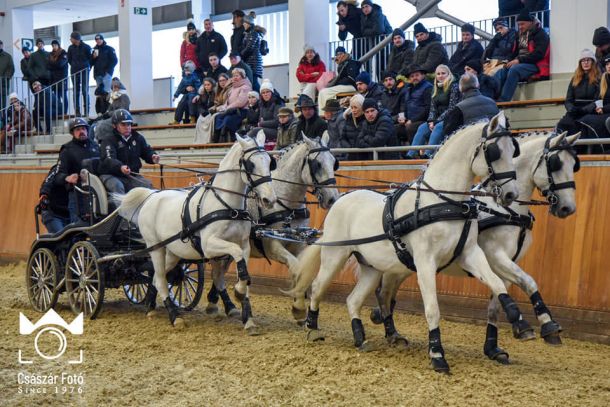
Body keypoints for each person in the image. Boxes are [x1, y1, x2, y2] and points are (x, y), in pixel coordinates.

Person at [99, 109, 160, 194]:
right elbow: (109, 159)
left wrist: (152, 156)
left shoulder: (137, 138)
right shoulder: (108, 140)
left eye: (129, 124)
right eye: (123, 124)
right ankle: (120, 207)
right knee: (117, 186)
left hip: (132, 175)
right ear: (114, 125)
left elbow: (146, 151)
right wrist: (120, 167)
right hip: (112, 175)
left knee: (148, 186)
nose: (127, 127)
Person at [494, 10, 550, 102]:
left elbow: (539, 54)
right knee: (501, 71)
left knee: (514, 69)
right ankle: (493, 98)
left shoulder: (540, 33)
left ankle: (504, 100)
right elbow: (514, 52)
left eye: (522, 24)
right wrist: (508, 61)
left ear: (530, 22)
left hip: (536, 64)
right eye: (518, 24)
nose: (520, 27)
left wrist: (519, 60)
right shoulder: (519, 35)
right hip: (521, 62)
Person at [408, 64, 461, 158]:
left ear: (449, 74)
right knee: (422, 128)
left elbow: (452, 107)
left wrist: (436, 121)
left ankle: (428, 154)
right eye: (438, 74)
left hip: (451, 118)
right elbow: (432, 107)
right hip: (437, 119)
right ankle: (410, 154)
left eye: (443, 73)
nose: (440, 76)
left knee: (438, 127)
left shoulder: (454, 86)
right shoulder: (435, 88)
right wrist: (431, 121)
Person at [55, 118, 100, 222]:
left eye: (83, 129)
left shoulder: (95, 146)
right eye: (78, 130)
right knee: (78, 231)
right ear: (72, 133)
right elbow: (58, 175)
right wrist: (67, 177)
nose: (81, 132)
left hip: (96, 194)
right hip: (77, 195)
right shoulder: (67, 150)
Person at [556, 50, 601, 136]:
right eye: (583, 60)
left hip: (590, 111)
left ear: (593, 62)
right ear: (580, 63)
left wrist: (583, 110)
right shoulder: (575, 79)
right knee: (562, 124)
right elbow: (568, 100)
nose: (586, 62)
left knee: (580, 125)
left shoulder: (598, 79)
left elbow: (598, 100)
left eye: (588, 60)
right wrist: (571, 109)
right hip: (575, 110)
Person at [443, 73, 500, 137]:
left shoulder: (459, 108)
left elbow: (449, 133)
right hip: (491, 142)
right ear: (478, 85)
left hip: (472, 144)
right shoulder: (492, 103)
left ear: (460, 88)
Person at [395, 64, 433, 144]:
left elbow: (428, 109)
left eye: (417, 75)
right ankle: (399, 155)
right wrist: (402, 117)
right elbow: (403, 106)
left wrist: (412, 120)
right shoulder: (407, 89)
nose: (414, 78)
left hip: (423, 120)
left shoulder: (428, 87)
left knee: (410, 128)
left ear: (422, 75)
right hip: (409, 121)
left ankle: (414, 154)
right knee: (394, 129)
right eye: (412, 76)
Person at [318, 47, 361, 115]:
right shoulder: (341, 64)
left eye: (341, 53)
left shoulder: (351, 62)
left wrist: (337, 82)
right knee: (322, 92)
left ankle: (328, 113)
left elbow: (351, 78)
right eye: (337, 54)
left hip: (351, 86)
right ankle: (322, 114)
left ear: (345, 53)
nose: (339, 56)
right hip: (343, 86)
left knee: (325, 92)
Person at [213, 68, 252, 142]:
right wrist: (221, 108)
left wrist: (227, 108)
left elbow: (240, 102)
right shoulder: (233, 88)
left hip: (242, 111)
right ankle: (216, 139)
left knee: (228, 119)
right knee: (217, 117)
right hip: (231, 110)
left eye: (237, 75)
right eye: (233, 76)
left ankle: (232, 139)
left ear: (242, 76)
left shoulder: (246, 87)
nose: (235, 77)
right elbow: (227, 102)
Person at [579, 56, 610, 148]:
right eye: (607, 64)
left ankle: (603, 148)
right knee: (584, 119)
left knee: (594, 121)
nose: (608, 66)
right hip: (604, 111)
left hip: (607, 112)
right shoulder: (604, 78)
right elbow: (599, 97)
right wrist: (597, 107)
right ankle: (586, 150)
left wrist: (603, 109)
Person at [360, 0, 392, 76]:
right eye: (363, 7)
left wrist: (367, 31)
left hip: (385, 43)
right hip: (376, 44)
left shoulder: (378, 14)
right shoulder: (364, 17)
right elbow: (362, 31)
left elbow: (379, 30)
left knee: (384, 66)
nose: (365, 9)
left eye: (367, 6)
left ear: (371, 7)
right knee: (378, 67)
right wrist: (369, 31)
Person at [38, 164, 70, 233]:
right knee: (61, 237)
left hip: (69, 214)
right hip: (53, 213)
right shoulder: (57, 168)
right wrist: (44, 194)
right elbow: (47, 182)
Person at [67, 31, 92, 116]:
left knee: (85, 91)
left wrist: (86, 67)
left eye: (71, 38)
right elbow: (69, 59)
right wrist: (75, 66)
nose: (70, 39)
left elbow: (90, 59)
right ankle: (77, 111)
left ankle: (86, 111)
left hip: (85, 71)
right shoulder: (70, 48)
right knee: (75, 92)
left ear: (76, 39)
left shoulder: (86, 47)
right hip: (74, 72)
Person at [172, 60, 202, 124]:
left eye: (188, 71)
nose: (187, 72)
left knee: (191, 102)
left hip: (193, 94)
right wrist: (175, 96)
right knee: (181, 103)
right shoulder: (184, 78)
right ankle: (177, 119)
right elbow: (180, 87)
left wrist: (198, 94)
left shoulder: (195, 77)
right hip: (186, 94)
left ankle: (192, 117)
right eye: (186, 71)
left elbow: (198, 86)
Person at [241, 13, 264, 92]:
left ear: (249, 23)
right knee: (252, 82)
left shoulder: (253, 33)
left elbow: (249, 47)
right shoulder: (248, 33)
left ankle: (261, 96)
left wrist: (241, 55)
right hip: (251, 61)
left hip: (253, 62)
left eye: (245, 22)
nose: (243, 24)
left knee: (253, 82)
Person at [338, 93, 366, 159]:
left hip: (366, 155)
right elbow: (342, 138)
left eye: (356, 107)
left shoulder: (368, 120)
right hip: (351, 155)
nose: (353, 110)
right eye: (352, 107)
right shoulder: (349, 119)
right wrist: (350, 149)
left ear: (362, 107)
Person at [92, 34, 118, 99]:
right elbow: (91, 62)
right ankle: (101, 107)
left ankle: (109, 107)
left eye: (99, 39)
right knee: (99, 92)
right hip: (98, 74)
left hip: (107, 74)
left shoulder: (109, 49)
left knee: (107, 91)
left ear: (102, 39)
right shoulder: (94, 50)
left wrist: (108, 71)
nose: (98, 41)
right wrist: (93, 57)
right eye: (97, 40)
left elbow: (114, 60)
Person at [48, 40, 69, 114]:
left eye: (55, 45)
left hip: (62, 78)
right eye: (53, 46)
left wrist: (53, 64)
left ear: (58, 45)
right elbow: (48, 66)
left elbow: (60, 64)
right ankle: (59, 112)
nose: (54, 47)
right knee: (56, 97)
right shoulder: (50, 54)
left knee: (64, 96)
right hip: (54, 79)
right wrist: (54, 64)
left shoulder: (63, 53)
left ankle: (65, 112)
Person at [0, 40, 15, 111]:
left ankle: (2, 120)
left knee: (2, 104)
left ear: (2, 45)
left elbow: (11, 69)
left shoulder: (8, 56)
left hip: (3, 84)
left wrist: (4, 78)